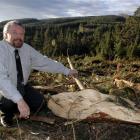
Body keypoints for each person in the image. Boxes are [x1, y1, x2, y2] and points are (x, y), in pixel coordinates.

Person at [0, 20, 78, 127]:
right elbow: (2, 80)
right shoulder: (1, 50)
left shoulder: (26, 49)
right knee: (10, 98)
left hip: (22, 85)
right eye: (14, 32)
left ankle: (19, 108)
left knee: (40, 103)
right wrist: (20, 101)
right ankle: (6, 114)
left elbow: (44, 62)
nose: (19, 36)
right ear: (5, 34)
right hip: (4, 89)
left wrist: (66, 71)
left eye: (22, 34)